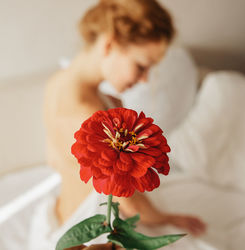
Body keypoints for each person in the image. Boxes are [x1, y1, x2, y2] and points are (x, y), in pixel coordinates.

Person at [43, 0, 206, 248]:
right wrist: (165, 218)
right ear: (110, 44)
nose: (144, 79)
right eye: (141, 66)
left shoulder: (59, 82)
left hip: (62, 209)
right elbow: (128, 202)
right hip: (90, 230)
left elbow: (55, 158)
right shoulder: (87, 113)